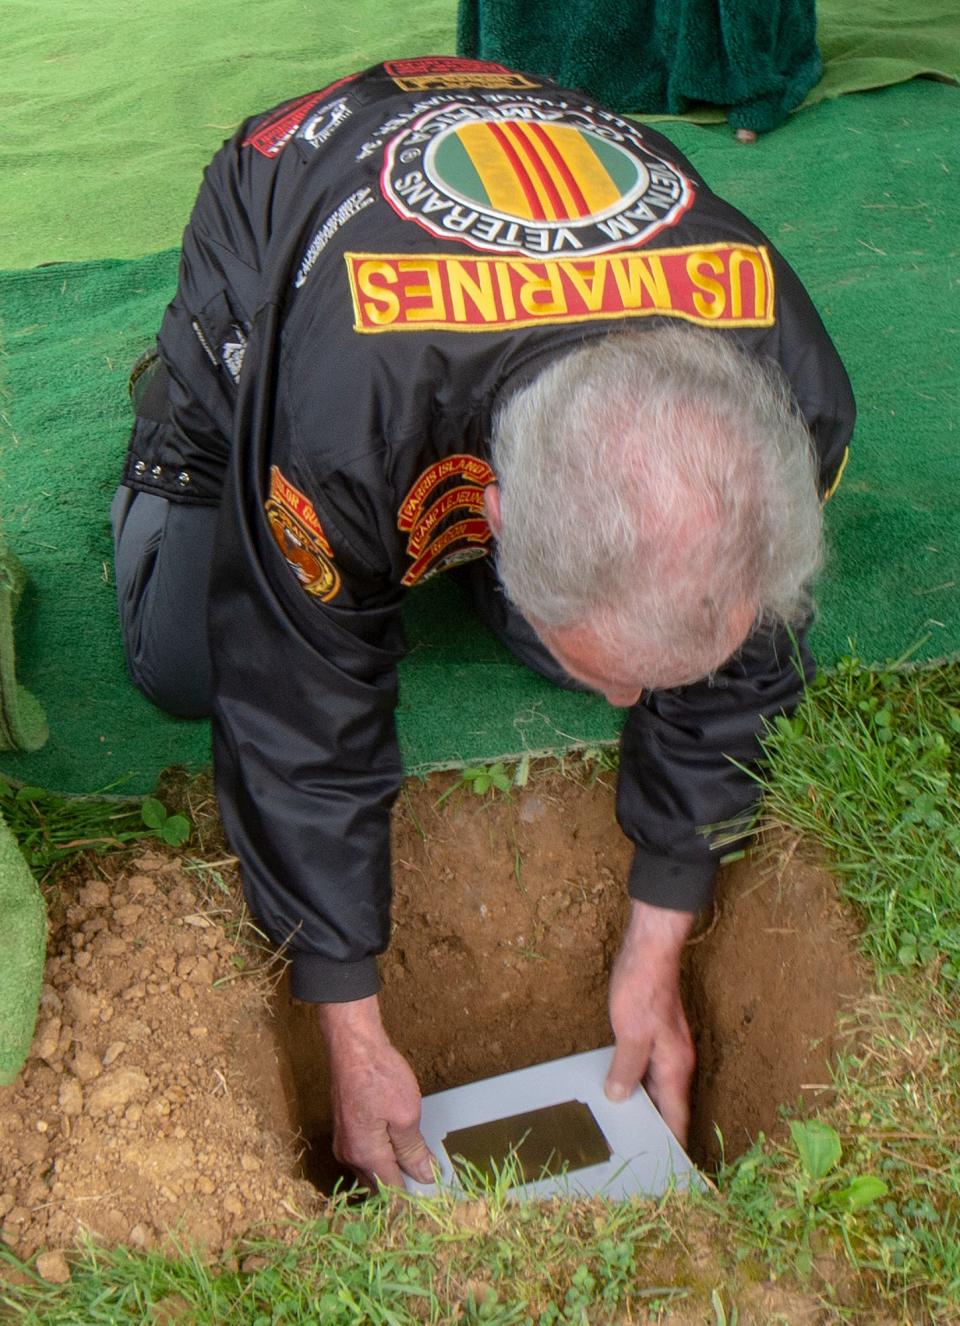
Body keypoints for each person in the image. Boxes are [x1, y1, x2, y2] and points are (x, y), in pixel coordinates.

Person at [111, 56, 854, 1187]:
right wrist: (349, 1031)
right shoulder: (337, 414)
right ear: (493, 514)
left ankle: (490, 579)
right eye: (613, 682)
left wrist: (658, 944)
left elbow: (743, 655)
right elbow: (295, 703)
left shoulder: (789, 403)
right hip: (302, 187)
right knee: (186, 658)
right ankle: (187, 418)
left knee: (633, 635)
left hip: (528, 210)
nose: (626, 709)